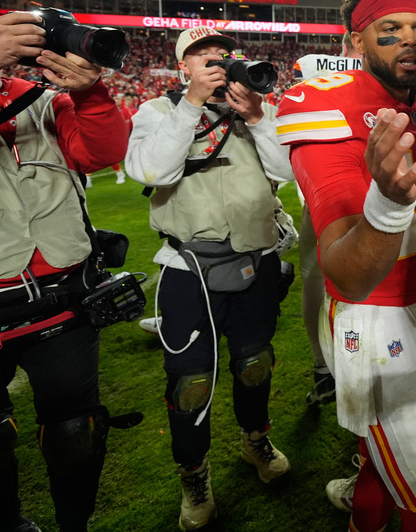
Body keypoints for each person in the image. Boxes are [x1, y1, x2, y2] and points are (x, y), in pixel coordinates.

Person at [276, 0, 416, 532]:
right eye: (390, 30)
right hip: (376, 313)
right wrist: (386, 205)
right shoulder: (320, 104)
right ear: (355, 43)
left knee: (407, 456)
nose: (410, 41)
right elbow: (347, 275)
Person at [124, 26, 294, 531]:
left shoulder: (255, 109)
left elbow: (292, 171)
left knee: (255, 363)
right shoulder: (156, 112)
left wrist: (259, 118)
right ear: (183, 68)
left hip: (255, 258)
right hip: (188, 267)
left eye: (221, 52)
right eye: (200, 55)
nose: (215, 60)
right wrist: (191, 106)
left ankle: (254, 439)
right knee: (191, 383)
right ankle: (193, 474)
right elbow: (151, 170)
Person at [0, 11, 129, 532]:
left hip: (63, 294)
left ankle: (75, 525)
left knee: (77, 433)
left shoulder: (44, 98)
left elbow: (103, 153)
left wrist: (92, 95)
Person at [291, 40, 363, 408]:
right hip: (324, 202)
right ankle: (324, 368)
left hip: (370, 199)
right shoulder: (316, 71)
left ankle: (352, 371)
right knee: (316, 283)